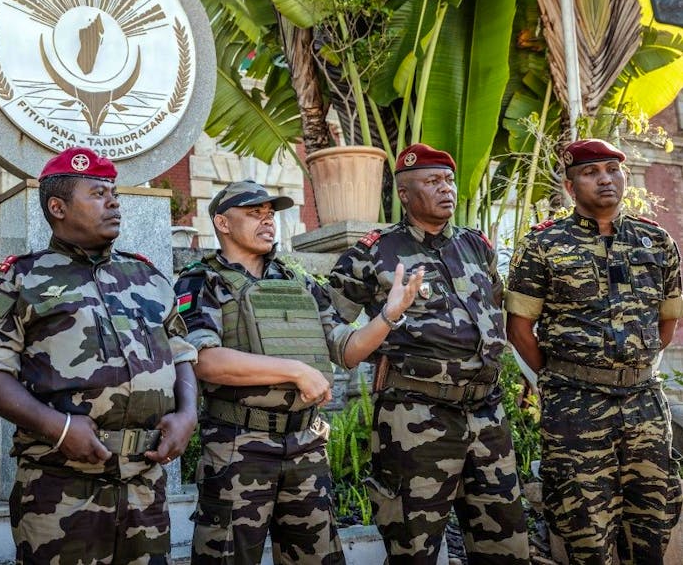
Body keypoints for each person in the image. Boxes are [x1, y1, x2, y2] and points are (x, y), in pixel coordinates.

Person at [0, 146, 197, 564]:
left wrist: (188, 414)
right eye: (97, 193)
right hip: (61, 492)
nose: (113, 202)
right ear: (58, 207)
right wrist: (58, 426)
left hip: (145, 485)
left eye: (114, 193)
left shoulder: (147, 276)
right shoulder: (20, 278)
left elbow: (181, 353)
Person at [173, 180, 423, 564]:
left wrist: (389, 315)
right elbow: (204, 361)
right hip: (239, 446)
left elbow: (346, 349)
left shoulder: (297, 281)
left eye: (270, 214)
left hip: (304, 446)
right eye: (254, 214)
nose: (267, 221)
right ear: (222, 223)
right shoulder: (202, 280)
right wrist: (295, 371)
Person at [329, 144, 529, 564]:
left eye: (449, 180)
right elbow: (329, 322)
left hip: (487, 414)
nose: (447, 189)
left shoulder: (476, 246)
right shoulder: (374, 252)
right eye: (433, 182)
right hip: (415, 418)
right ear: (404, 193)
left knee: (506, 546)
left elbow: (497, 314)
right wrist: (376, 327)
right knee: (413, 548)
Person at [506, 138, 683, 563]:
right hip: (575, 405)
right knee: (585, 526)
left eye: (612, 169)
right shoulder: (543, 244)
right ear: (570, 187)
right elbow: (519, 329)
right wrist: (560, 379)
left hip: (644, 402)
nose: (605, 179)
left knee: (653, 518)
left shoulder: (655, 241)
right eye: (590, 172)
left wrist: (633, 368)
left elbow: (668, 322)